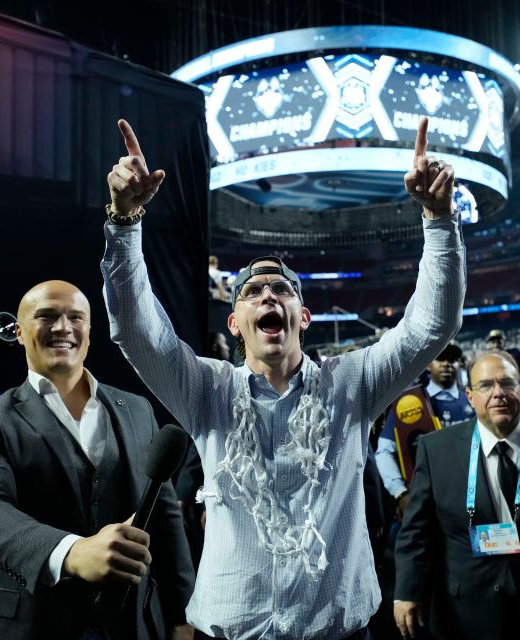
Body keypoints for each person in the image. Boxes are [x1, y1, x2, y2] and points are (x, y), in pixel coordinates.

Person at [101, 116, 465, 639]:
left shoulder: (353, 384)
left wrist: (437, 219)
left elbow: (433, 324)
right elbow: (137, 330)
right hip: (232, 630)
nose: (268, 294)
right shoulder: (206, 390)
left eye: (282, 289)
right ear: (235, 323)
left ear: (304, 316)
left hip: (336, 632)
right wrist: (125, 221)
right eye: (253, 291)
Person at [0, 280, 195, 640]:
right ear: (18, 332)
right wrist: (72, 552)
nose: (63, 327)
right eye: (46, 316)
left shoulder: (137, 409)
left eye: (75, 317)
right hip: (24, 625)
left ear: (90, 332)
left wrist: (181, 615)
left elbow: (165, 518)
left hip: (128, 624)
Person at [394, 352, 520, 639]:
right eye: (486, 385)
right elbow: (416, 531)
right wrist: (407, 592)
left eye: (507, 384)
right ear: (470, 396)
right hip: (466, 612)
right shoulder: (436, 450)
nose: (498, 393)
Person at [375, 343, 476, 514]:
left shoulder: (472, 401)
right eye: (440, 358)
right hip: (425, 497)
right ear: (428, 363)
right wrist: (400, 492)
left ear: (460, 364)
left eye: (452, 359)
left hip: (469, 494)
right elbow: (384, 451)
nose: (446, 364)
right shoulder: (408, 402)